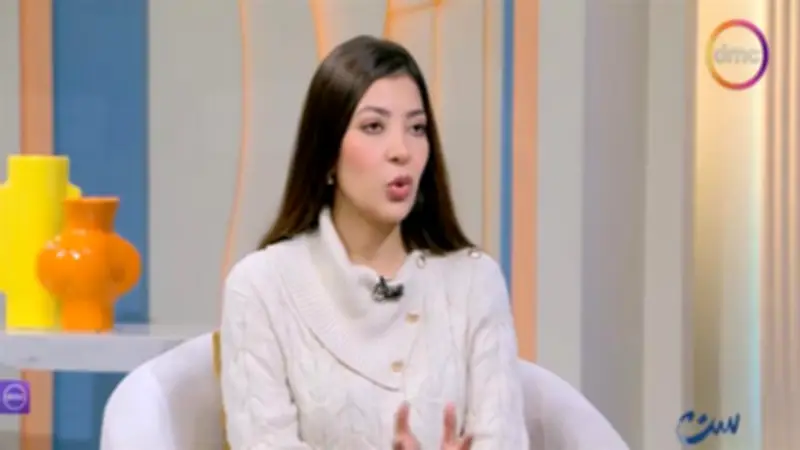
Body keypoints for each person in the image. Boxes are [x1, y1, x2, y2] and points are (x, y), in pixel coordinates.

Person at [220, 35, 530, 449]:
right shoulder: (261, 288)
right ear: (327, 154)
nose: (402, 151)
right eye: (373, 127)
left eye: (416, 128)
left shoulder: (475, 282)